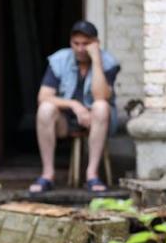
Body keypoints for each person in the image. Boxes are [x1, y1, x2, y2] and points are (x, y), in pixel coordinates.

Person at [29, 20, 120, 193]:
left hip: (98, 121)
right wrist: (74, 105)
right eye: (76, 44)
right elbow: (43, 97)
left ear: (95, 43)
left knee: (100, 106)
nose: (80, 49)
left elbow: (101, 95)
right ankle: (47, 174)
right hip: (66, 120)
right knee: (45, 109)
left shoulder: (108, 62)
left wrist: (96, 61)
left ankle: (92, 175)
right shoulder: (59, 60)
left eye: (85, 44)